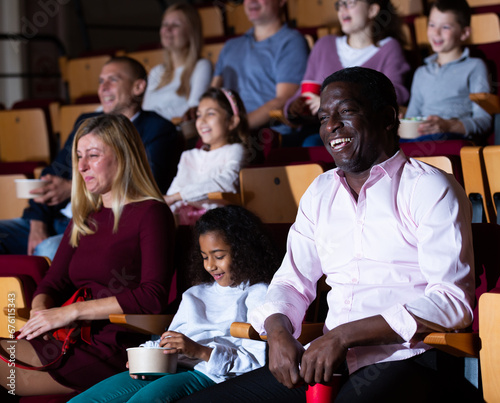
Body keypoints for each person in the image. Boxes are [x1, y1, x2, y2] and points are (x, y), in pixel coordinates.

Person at [177, 67, 481, 403]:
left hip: (408, 359)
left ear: (387, 118)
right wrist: (277, 332)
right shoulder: (320, 191)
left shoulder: (429, 187)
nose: (331, 125)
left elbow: (452, 302)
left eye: (346, 112)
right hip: (326, 362)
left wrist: (344, 336)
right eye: (323, 117)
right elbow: (292, 282)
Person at [0, 114, 176, 396]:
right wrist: (40, 314)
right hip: (66, 337)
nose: (81, 167)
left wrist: (69, 312)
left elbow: (153, 295)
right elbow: (52, 283)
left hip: (113, 343)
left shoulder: (151, 212)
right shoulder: (85, 216)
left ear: (123, 156)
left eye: (92, 155)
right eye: (79, 156)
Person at [67, 205, 280, 403]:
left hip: (209, 373)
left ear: (243, 251)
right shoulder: (195, 294)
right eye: (205, 257)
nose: (210, 266)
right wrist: (146, 355)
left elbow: (256, 363)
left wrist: (201, 351)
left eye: (219, 256)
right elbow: (170, 339)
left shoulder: (258, 293)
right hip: (171, 366)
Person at [0, 56, 178, 260]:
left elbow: (143, 186)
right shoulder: (87, 122)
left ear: (138, 87)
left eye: (113, 80)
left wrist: (70, 188)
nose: (103, 88)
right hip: (56, 218)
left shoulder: (158, 129)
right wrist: (37, 224)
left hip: (100, 225)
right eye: (101, 81)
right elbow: (53, 173)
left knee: (47, 251)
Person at [285, 0, 411, 147]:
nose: (342, 9)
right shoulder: (324, 45)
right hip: (318, 128)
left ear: (372, 10)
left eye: (350, 3)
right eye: (339, 4)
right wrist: (294, 107)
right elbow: (304, 91)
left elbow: (395, 94)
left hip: (361, 135)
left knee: (311, 143)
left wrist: (329, 104)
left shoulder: (389, 47)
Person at [207, 0, 309, 140]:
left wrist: (235, 128)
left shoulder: (292, 42)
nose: (252, 2)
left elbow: (284, 99)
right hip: (227, 133)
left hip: (268, 136)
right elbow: (211, 96)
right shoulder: (230, 46)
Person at [404, 0, 492, 143]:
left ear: (464, 33)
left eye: (445, 27)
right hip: (420, 139)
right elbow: (412, 116)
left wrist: (448, 126)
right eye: (432, 25)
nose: (436, 32)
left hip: (453, 137)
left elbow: (484, 120)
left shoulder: (475, 66)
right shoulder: (421, 73)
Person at [166, 88, 249, 225]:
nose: (202, 121)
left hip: (217, 222)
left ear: (232, 121)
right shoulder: (189, 156)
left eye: (210, 114)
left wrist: (178, 196)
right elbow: (172, 194)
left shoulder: (234, 150)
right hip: (182, 219)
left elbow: (226, 182)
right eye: (199, 115)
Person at [142, 3, 212, 121]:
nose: (167, 29)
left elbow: (192, 111)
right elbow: (145, 109)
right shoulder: (156, 71)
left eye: (175, 25)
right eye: (165, 24)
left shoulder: (202, 66)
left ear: (191, 32)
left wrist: (153, 116)